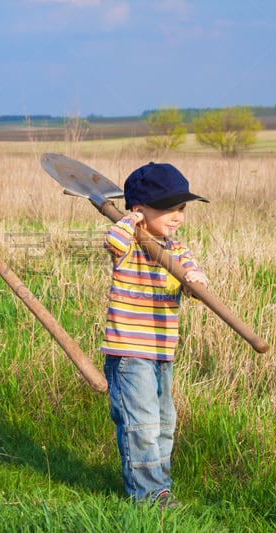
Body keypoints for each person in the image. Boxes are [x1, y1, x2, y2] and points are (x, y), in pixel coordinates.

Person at [101, 162, 209, 510]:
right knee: (141, 423)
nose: (177, 216)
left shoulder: (176, 250)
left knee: (164, 422)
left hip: (163, 351)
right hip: (130, 350)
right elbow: (111, 239)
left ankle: (160, 485)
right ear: (140, 210)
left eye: (181, 208)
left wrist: (196, 283)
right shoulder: (130, 245)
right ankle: (148, 495)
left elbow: (191, 272)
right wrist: (132, 223)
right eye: (168, 208)